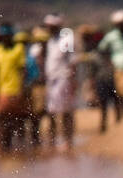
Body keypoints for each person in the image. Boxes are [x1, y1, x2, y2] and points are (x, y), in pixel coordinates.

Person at [0, 25, 27, 153]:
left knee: (18, 120)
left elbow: (23, 70)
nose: (4, 38)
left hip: (16, 90)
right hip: (2, 91)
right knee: (2, 120)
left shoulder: (19, 49)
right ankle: (4, 148)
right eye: (2, 36)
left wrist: (22, 90)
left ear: (11, 36)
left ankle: (20, 149)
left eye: (6, 36)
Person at [43, 14, 75, 149]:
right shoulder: (50, 41)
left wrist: (73, 79)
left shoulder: (66, 40)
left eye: (51, 26)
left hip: (64, 78)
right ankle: (52, 140)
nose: (49, 29)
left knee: (66, 110)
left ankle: (68, 140)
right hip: (51, 79)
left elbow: (73, 61)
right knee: (51, 111)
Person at [98, 10, 123, 117]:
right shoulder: (111, 37)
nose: (121, 26)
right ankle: (122, 116)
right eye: (119, 25)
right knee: (120, 93)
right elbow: (101, 49)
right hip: (117, 69)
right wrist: (108, 62)